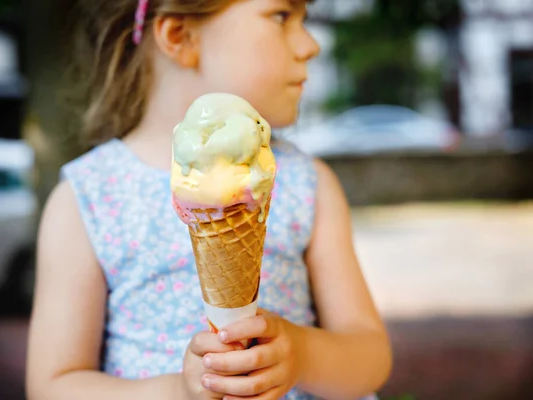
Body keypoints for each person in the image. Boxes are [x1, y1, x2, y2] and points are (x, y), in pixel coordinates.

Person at [25, 0, 392, 399]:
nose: (310, 45)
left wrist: (302, 354)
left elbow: (370, 357)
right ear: (180, 37)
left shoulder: (309, 182)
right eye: (282, 16)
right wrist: (180, 391)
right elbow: (52, 385)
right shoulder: (87, 198)